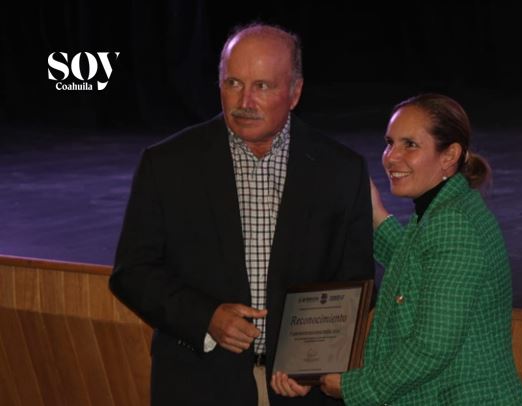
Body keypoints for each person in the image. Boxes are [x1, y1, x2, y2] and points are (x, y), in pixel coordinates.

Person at [109, 23, 373, 406]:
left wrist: (316, 369)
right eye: (233, 83)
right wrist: (207, 317)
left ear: (295, 92)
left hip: (301, 393)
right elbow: (132, 273)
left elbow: (353, 285)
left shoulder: (340, 169)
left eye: (262, 86)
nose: (244, 100)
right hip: (199, 388)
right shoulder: (167, 164)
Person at [271, 94, 522, 404]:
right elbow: (420, 269)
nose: (391, 157)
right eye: (389, 142)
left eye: (410, 145)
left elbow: (430, 347)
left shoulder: (453, 224)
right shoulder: (445, 209)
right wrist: (376, 214)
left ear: (449, 155)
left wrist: (357, 386)